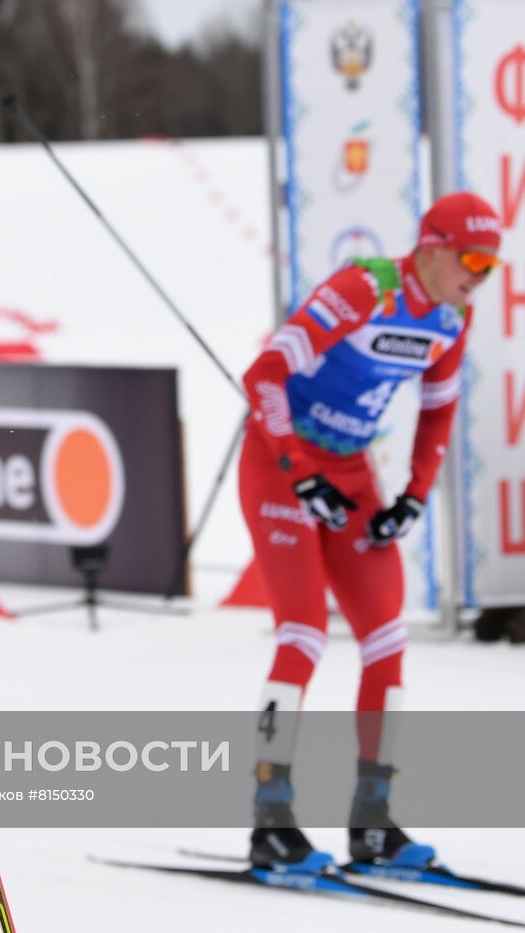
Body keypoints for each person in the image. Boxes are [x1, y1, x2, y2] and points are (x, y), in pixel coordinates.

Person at [238, 192, 502, 871]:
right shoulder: (363, 288)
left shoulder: (453, 315)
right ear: (434, 247)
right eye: (473, 259)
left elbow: (438, 415)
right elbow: (264, 372)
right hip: (281, 463)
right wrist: (298, 470)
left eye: (492, 265)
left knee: (386, 637)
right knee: (302, 631)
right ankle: (271, 817)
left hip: (352, 474)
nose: (480, 275)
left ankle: (373, 820)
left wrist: (412, 496)